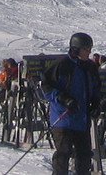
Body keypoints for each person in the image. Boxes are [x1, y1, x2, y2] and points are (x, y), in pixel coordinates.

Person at [43, 32, 102, 175]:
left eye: (90, 48)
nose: (89, 52)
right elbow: (46, 87)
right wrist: (62, 98)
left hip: (82, 119)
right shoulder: (62, 65)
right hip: (64, 118)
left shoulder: (90, 67)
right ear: (75, 49)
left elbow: (96, 88)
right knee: (64, 152)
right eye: (85, 49)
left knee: (84, 154)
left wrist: (96, 104)